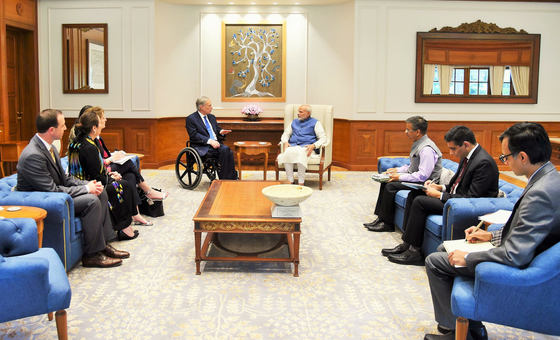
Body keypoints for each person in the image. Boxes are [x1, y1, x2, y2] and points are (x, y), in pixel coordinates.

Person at [423, 122, 560, 340]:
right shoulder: (549, 178)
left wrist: (469, 257)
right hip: (526, 253)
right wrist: (491, 235)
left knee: (435, 261)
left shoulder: (540, 194)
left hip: (518, 267)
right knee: (443, 248)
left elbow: (514, 254)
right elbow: (529, 230)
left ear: (522, 157)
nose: (504, 161)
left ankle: (457, 331)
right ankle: (472, 327)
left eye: (506, 157)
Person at [16, 109, 129, 268]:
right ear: (51, 130)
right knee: (91, 200)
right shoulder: (33, 155)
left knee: (100, 191)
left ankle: (102, 246)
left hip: (56, 196)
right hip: (43, 201)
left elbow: (65, 178)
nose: (65, 129)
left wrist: (88, 185)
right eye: (62, 126)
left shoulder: (50, 148)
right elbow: (52, 191)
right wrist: (86, 190)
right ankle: (91, 255)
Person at [383, 126, 499, 265]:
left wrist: (440, 195)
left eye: (453, 149)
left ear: (466, 145)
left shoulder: (483, 163)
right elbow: (456, 185)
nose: (451, 153)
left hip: (464, 206)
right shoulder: (467, 156)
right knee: (415, 193)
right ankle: (406, 244)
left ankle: (415, 252)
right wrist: (441, 187)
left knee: (420, 202)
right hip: (455, 199)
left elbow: (471, 198)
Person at [69, 105, 168, 211]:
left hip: (97, 174)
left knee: (130, 175)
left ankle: (136, 212)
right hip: (89, 182)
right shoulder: (88, 145)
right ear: (94, 126)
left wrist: (110, 169)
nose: (105, 120)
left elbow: (97, 166)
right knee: (127, 170)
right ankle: (146, 194)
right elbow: (96, 174)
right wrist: (111, 175)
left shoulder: (88, 141)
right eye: (102, 118)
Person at [68, 110, 140, 241]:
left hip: (81, 182)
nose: (103, 123)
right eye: (100, 122)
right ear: (94, 128)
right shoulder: (89, 146)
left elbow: (94, 170)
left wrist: (109, 174)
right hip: (89, 185)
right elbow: (98, 177)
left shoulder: (76, 142)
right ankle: (124, 228)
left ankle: (125, 225)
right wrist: (113, 177)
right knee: (123, 186)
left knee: (122, 182)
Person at [364, 116, 442, 232]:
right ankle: (381, 218)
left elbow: (423, 175)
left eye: (408, 130)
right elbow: (412, 167)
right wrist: (397, 170)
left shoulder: (426, 149)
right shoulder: (419, 143)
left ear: (417, 132)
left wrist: (399, 177)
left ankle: (387, 224)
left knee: (391, 186)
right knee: (386, 181)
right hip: (418, 178)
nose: (405, 132)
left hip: (425, 183)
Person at [185, 96, 237, 180]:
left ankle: (231, 177)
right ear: (201, 107)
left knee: (229, 152)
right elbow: (194, 135)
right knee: (225, 150)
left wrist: (221, 131)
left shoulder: (211, 117)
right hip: (202, 145)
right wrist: (210, 141)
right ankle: (225, 179)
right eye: (209, 105)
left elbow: (216, 128)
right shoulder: (191, 119)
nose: (211, 107)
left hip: (216, 143)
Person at [277, 104, 327, 185]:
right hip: (293, 145)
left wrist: (314, 145)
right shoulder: (294, 122)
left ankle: (301, 182)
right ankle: (290, 180)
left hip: (306, 147)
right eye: (298, 112)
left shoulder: (316, 123)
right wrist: (285, 141)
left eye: (300, 112)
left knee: (301, 154)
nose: (298, 113)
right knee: (287, 153)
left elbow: (323, 138)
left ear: (308, 113)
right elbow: (286, 134)